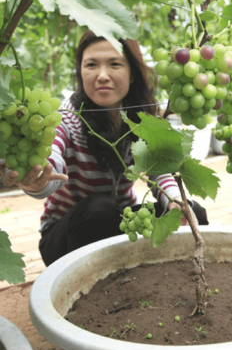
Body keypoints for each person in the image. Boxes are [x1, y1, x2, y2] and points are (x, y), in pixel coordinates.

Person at [0, 30, 208, 266]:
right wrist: (38, 179)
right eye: (91, 64)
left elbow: (158, 170)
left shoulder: (141, 120)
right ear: (80, 71)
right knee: (99, 210)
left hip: (120, 223)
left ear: (131, 74)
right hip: (65, 238)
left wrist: (174, 202)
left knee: (192, 212)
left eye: (115, 64)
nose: (102, 75)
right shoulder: (66, 118)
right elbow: (52, 159)